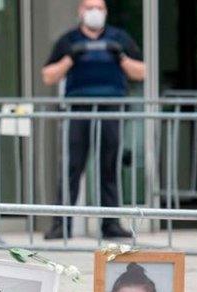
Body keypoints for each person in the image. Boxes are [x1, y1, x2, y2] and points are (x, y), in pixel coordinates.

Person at [41, 0, 144, 240]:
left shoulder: (120, 38)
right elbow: (48, 75)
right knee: (72, 168)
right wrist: (69, 59)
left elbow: (141, 71)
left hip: (111, 110)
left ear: (106, 12)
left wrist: (121, 57)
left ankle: (111, 224)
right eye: (89, 8)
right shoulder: (69, 40)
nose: (94, 12)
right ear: (80, 12)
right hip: (79, 111)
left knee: (109, 168)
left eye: (99, 7)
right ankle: (61, 225)